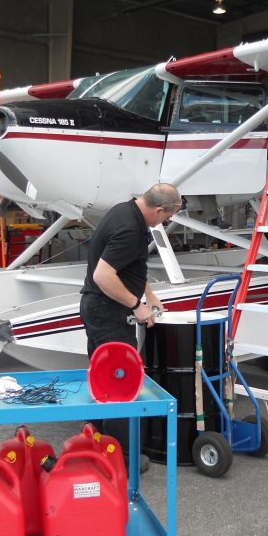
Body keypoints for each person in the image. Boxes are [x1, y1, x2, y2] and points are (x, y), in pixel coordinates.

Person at [80, 183, 183, 467]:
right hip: (107, 311)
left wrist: (149, 296)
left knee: (102, 378)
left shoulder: (125, 211)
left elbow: (128, 266)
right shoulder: (129, 229)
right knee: (119, 381)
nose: (166, 222)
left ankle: (94, 442)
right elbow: (104, 276)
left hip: (100, 308)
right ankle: (121, 458)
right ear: (159, 209)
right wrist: (137, 306)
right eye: (167, 217)